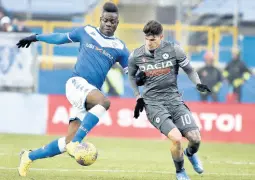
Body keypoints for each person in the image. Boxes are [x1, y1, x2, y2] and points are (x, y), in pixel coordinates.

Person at [16, 2, 130, 177]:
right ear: (100, 19)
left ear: (117, 23)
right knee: (104, 102)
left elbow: (131, 72)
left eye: (112, 22)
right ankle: (76, 142)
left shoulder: (120, 48)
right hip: (76, 84)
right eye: (106, 20)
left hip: (88, 95)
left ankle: (28, 156)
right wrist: (36, 37)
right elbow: (60, 38)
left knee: (66, 143)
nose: (108, 24)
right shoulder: (86, 31)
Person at [128, 20, 211, 180]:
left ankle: (190, 153)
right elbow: (131, 76)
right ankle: (180, 171)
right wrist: (138, 96)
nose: (149, 43)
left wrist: (198, 84)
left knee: (195, 138)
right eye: (147, 39)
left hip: (174, 100)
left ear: (161, 37)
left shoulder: (174, 50)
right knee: (176, 137)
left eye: (153, 39)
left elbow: (190, 70)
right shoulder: (136, 55)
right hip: (153, 103)